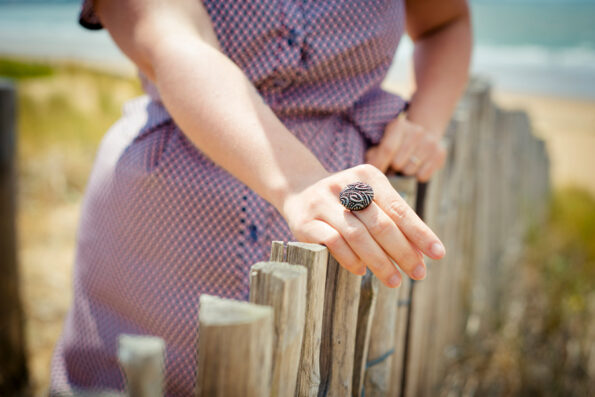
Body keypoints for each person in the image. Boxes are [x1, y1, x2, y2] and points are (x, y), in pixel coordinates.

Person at [50, 0, 471, 395]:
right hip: (161, 230)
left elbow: (445, 22)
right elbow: (170, 37)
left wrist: (425, 124)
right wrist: (301, 182)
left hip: (339, 235)